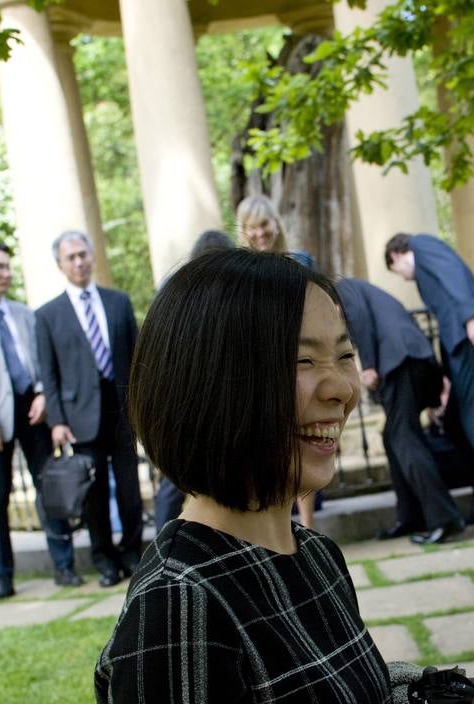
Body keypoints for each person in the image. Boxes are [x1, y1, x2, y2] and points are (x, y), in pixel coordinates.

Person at [96, 248, 474, 704]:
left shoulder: (315, 555)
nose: (341, 387)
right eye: (301, 361)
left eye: (344, 355)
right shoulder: (177, 605)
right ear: (210, 381)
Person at [0, 241, 78, 599]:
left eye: (8, 266)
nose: (6, 273)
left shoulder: (24, 314)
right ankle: (2, 577)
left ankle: (64, 566)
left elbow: (41, 361)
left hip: (33, 411)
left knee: (49, 489)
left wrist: (42, 395)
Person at [385, 233, 474, 531]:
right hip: (461, 344)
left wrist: (471, 317)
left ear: (397, 255)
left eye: (396, 271)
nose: (403, 278)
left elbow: (452, 275)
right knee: (462, 420)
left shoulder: (421, 245)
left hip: (467, 337)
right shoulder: (422, 255)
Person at [35, 230, 143, 588]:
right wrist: (58, 421)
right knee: (94, 494)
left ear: (92, 256)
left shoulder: (118, 303)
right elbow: (48, 374)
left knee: (130, 489)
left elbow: (137, 357)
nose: (79, 262)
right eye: (71, 258)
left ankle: (133, 553)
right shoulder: (48, 315)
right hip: (80, 417)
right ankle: (105, 560)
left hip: (122, 411)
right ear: (60, 265)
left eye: (83, 254)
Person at [338, 277, 465, 544]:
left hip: (400, 359)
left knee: (404, 438)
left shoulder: (341, 288)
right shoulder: (361, 288)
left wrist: (369, 365)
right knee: (393, 437)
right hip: (412, 358)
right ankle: (411, 517)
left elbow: (359, 316)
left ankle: (445, 520)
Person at [237, 194, 321, 527]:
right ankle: (276, 527)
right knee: (268, 450)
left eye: (264, 224)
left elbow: (317, 312)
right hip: (260, 369)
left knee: (304, 445)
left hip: (297, 364)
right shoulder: (238, 270)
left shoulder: (300, 262)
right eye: (251, 227)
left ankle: (308, 528)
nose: (259, 233)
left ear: (276, 223)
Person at [151, 228, 235, 531]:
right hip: (198, 400)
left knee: (179, 478)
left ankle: (165, 546)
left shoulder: (176, 291)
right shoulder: (190, 294)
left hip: (190, 401)